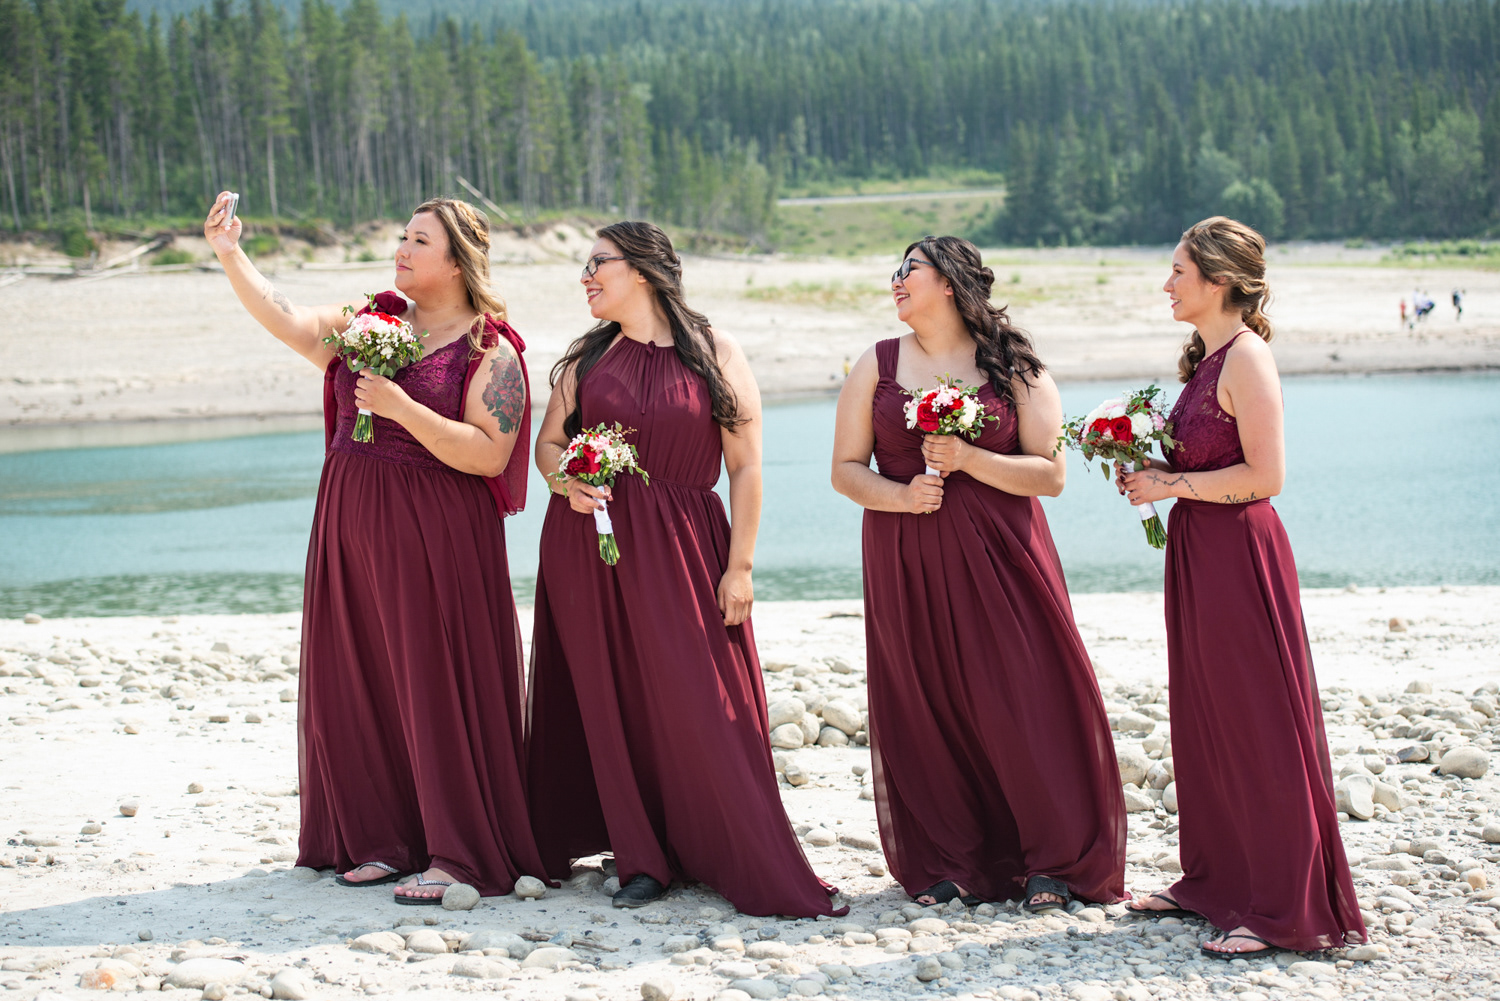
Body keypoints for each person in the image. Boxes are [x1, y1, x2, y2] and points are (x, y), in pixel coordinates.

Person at [203, 194, 547, 903]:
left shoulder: (491, 350)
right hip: (350, 523)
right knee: (358, 677)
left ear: (456, 261)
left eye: (418, 240)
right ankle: (384, 839)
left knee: (433, 684)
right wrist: (230, 254)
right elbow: (293, 323)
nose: (401, 248)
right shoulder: (374, 319)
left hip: (436, 537)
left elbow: (490, 455)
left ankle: (458, 853)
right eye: (402, 235)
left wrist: (401, 407)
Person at [525, 221, 845, 917]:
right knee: (610, 698)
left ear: (640, 270)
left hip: (685, 546)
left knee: (704, 700)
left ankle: (724, 847)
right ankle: (641, 857)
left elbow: (747, 466)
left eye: (596, 263)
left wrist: (742, 567)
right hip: (592, 547)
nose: (585, 275)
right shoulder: (588, 357)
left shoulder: (714, 350)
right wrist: (565, 483)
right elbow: (548, 445)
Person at [830, 235, 1126, 911]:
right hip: (905, 559)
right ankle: (953, 858)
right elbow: (845, 470)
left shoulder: (1015, 365)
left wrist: (967, 459)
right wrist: (901, 496)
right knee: (926, 700)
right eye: (896, 269)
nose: (897, 280)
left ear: (952, 284)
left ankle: (1055, 859)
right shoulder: (875, 366)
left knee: (1024, 697)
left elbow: (1049, 473)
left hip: (1004, 560)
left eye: (911, 270)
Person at [1120, 217, 1366, 956]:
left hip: (1241, 553)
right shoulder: (1208, 355)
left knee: (1258, 720)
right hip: (1200, 549)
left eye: (1178, 272)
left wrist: (1171, 481)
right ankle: (1216, 880)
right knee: (1207, 716)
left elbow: (1266, 476)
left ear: (1219, 280)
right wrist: (1144, 465)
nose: (1167, 284)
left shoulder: (1248, 358)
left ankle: (1282, 906)